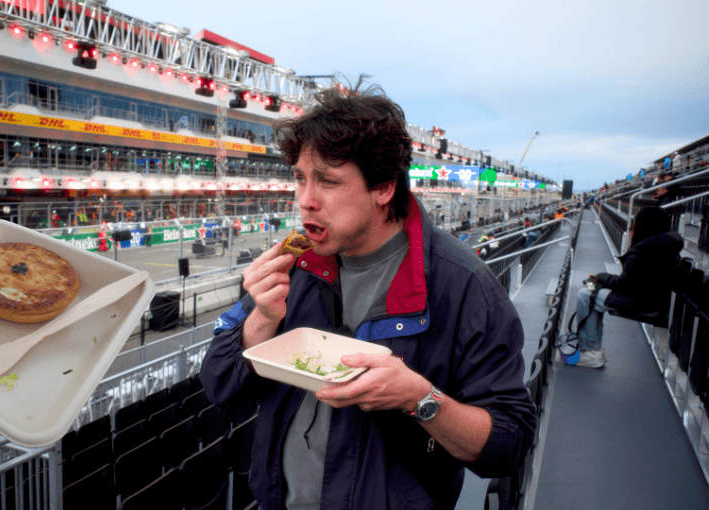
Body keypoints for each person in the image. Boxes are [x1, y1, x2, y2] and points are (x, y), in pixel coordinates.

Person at [200, 81, 535, 509]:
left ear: (383, 188)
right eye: (300, 179)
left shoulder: (464, 287)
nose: (305, 201)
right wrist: (260, 320)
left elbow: (508, 445)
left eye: (328, 182)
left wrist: (419, 398)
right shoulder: (295, 265)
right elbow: (219, 387)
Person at [569, 207, 683, 368]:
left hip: (645, 303)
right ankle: (591, 349)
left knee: (585, 295)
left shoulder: (645, 251)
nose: (630, 230)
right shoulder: (665, 246)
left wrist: (601, 277)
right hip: (653, 299)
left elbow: (624, 285)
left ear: (643, 228)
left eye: (633, 227)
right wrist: (600, 281)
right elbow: (632, 282)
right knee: (591, 289)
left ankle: (590, 352)